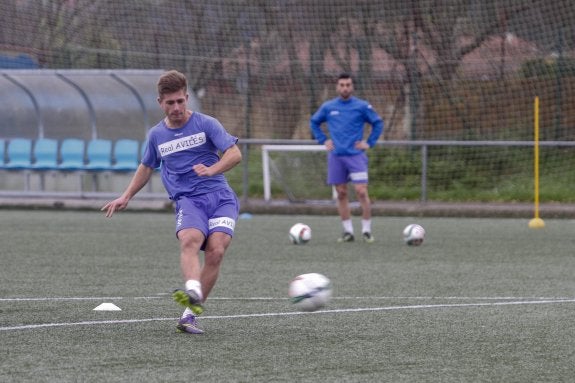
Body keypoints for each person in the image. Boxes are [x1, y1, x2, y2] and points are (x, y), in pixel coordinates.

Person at [101, 70, 242, 334]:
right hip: (188, 200)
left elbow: (234, 154)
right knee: (190, 240)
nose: (176, 107)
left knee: (216, 251)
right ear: (160, 103)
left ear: (187, 98)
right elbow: (146, 167)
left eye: (180, 101)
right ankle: (192, 288)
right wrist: (126, 195)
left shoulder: (206, 124)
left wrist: (213, 170)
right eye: (170, 103)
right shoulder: (157, 135)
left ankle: (189, 314)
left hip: (220, 197)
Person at [310, 73, 383, 243]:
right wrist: (323, 140)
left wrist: (369, 142)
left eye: (348, 85)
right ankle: (348, 232)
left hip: (356, 156)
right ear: (337, 87)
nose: (345, 88)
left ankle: (366, 230)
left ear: (352, 87)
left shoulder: (362, 106)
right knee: (341, 193)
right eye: (342, 85)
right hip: (336, 156)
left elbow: (378, 122)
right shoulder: (328, 107)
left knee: (361, 191)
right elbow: (314, 122)